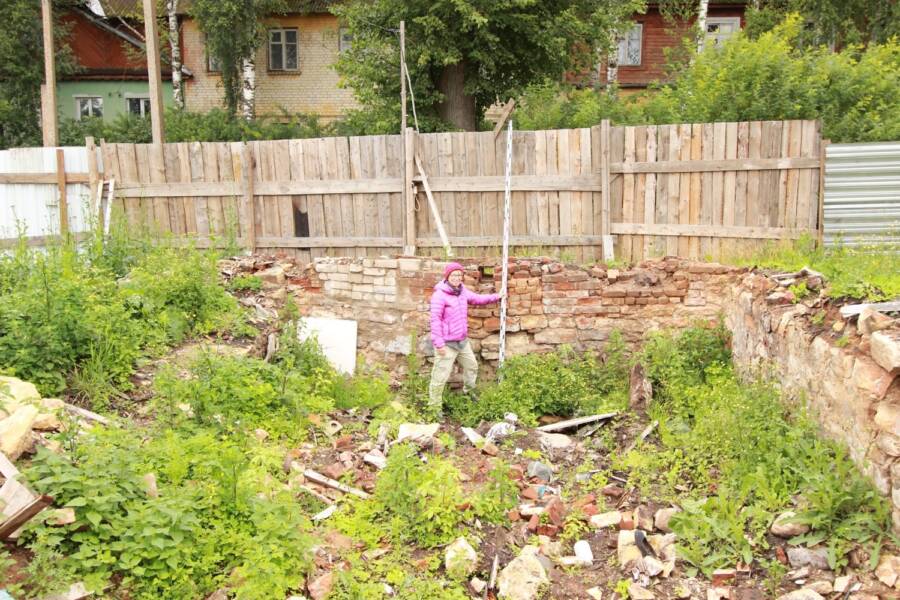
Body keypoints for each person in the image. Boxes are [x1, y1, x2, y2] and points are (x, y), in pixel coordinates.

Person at [428, 262, 503, 416]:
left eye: (459, 275)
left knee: (472, 366)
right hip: (446, 344)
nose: (457, 277)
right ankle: (434, 409)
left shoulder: (462, 292)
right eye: (454, 275)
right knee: (439, 377)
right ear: (447, 276)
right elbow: (435, 320)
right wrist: (439, 344)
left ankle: (468, 393)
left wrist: (498, 296)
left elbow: (477, 299)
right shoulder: (439, 295)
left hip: (462, 342)